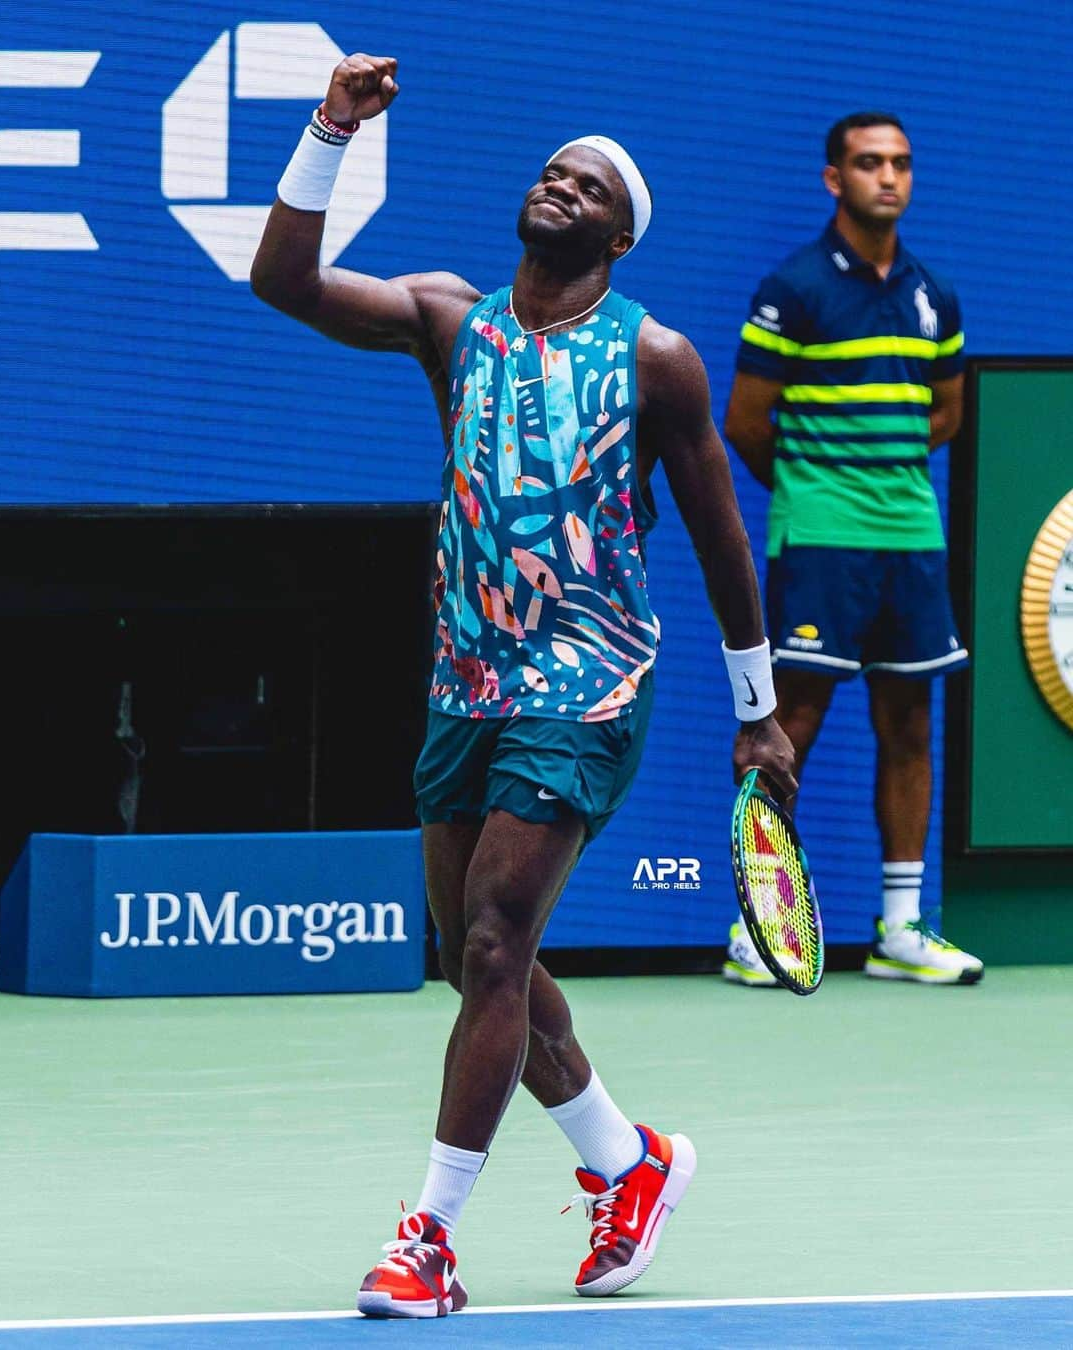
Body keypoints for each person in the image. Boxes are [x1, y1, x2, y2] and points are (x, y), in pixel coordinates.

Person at [252, 52, 796, 1318]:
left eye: (587, 183)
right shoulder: (451, 319)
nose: (560, 184)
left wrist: (758, 706)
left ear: (617, 230)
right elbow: (283, 281)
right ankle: (628, 1159)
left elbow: (720, 534)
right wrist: (332, 126)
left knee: (496, 938)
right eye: (551, 170)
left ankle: (428, 1239)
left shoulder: (656, 359)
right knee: (476, 956)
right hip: (468, 675)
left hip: (590, 680)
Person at [720, 111, 982, 988]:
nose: (889, 178)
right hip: (821, 535)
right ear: (835, 178)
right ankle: (758, 929)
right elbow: (746, 423)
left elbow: (944, 412)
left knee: (909, 722)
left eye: (901, 164)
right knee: (790, 725)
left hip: (910, 536)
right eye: (869, 164)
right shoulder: (792, 287)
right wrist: (818, 485)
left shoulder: (932, 293)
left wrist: (883, 473)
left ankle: (901, 931)